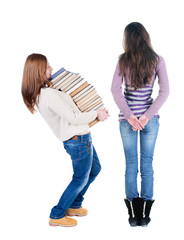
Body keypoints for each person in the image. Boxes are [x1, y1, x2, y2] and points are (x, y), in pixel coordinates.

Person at [21, 53, 109, 227]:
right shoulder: (48, 95)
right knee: (79, 179)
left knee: (95, 169)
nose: (51, 68)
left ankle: (74, 205)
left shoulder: (45, 93)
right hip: (78, 140)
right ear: (38, 71)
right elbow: (74, 117)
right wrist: (96, 114)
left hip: (81, 138)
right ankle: (57, 213)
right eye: (47, 66)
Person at [111, 22, 169, 227]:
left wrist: (130, 116)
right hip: (150, 121)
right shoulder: (157, 60)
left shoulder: (123, 60)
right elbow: (164, 92)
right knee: (147, 165)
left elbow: (116, 91)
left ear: (127, 39)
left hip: (127, 122)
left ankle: (132, 216)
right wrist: (146, 116)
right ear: (146, 36)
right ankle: (145, 216)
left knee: (131, 165)